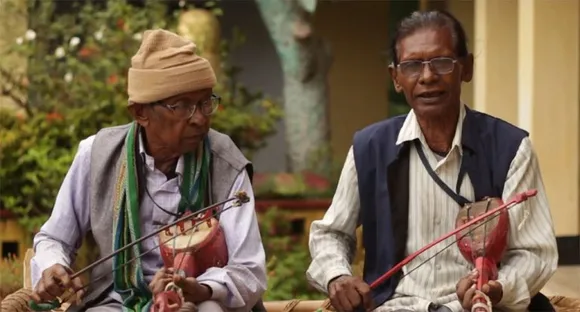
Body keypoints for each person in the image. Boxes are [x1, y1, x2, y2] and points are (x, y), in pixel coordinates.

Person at [306, 10, 558, 312]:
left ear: (466, 68)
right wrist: (337, 277)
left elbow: (534, 252)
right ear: (395, 78)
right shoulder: (370, 147)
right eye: (412, 65)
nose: (427, 77)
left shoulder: (510, 147)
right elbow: (331, 233)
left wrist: (496, 288)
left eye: (442, 62)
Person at [29, 29, 267, 312]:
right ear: (141, 112)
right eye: (183, 106)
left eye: (205, 102)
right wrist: (53, 265)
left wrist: (200, 288)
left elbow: (249, 269)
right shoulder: (98, 154)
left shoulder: (226, 162)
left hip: (202, 300)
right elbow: (55, 238)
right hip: (117, 300)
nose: (200, 118)